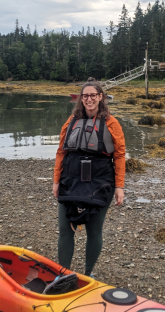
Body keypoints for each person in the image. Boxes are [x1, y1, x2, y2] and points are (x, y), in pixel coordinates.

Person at [52, 77, 125, 278]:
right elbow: (61, 152)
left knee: (94, 230)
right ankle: (63, 274)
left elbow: (119, 155)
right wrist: (56, 181)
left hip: (100, 183)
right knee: (65, 229)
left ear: (100, 97)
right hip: (71, 181)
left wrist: (119, 186)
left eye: (93, 95)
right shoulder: (71, 121)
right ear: (81, 98)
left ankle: (88, 273)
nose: (89, 99)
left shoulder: (112, 123)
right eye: (85, 96)